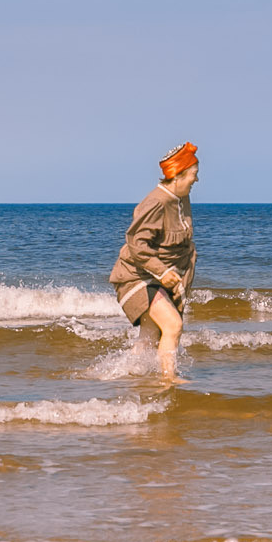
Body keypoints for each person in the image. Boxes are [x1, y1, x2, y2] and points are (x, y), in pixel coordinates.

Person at [109, 141, 198, 380]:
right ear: (178, 175)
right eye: (193, 175)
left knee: (151, 335)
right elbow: (136, 243)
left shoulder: (181, 197)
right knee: (173, 325)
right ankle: (169, 380)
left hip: (159, 278)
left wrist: (179, 283)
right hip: (137, 275)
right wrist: (161, 272)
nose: (196, 180)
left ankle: (125, 374)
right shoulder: (157, 202)